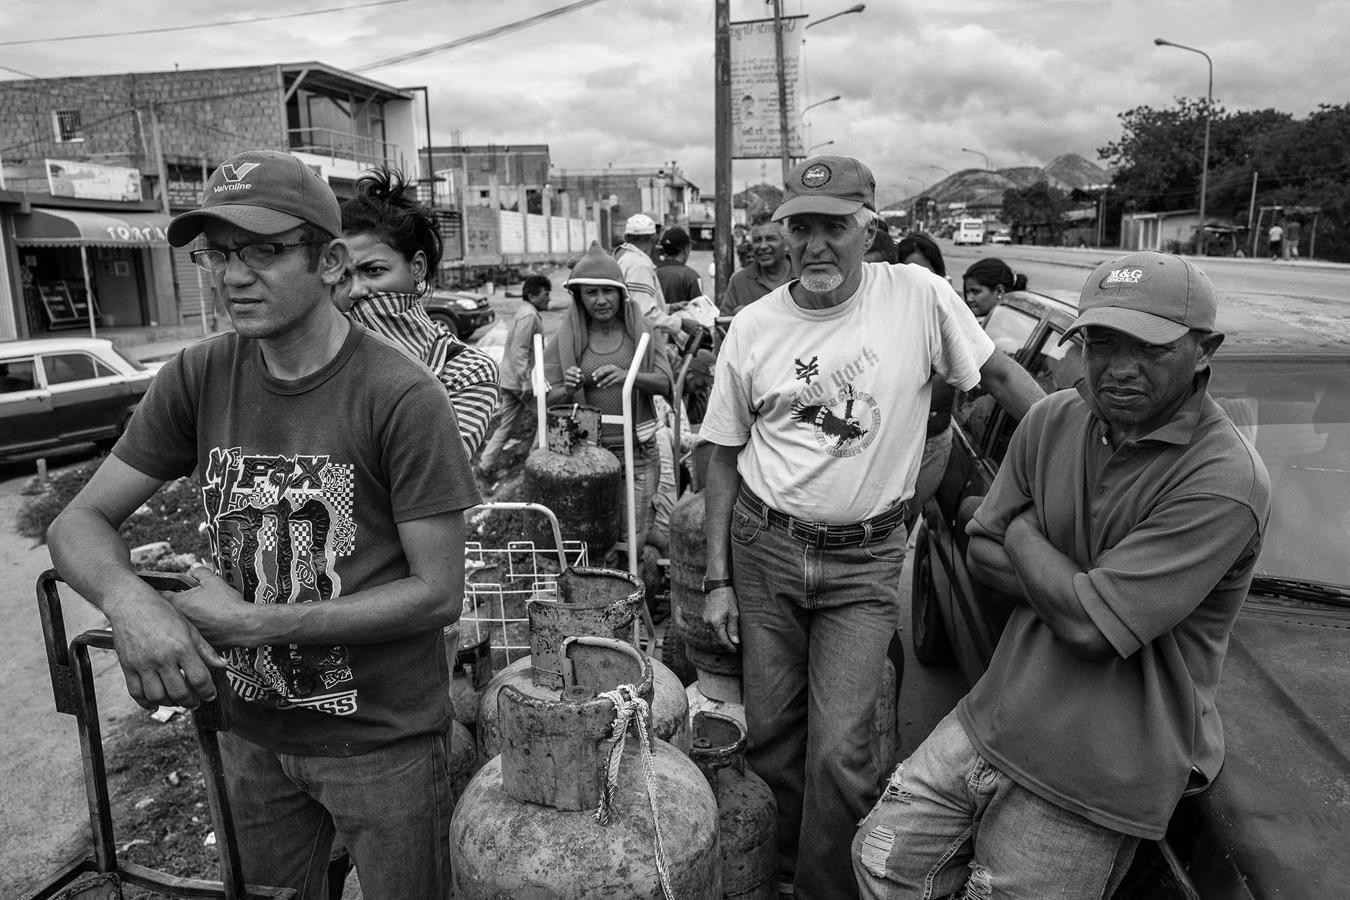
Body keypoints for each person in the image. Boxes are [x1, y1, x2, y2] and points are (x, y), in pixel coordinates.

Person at [46, 149, 480, 899]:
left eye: (265, 250)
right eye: (217, 254)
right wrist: (130, 603)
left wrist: (250, 624)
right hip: (247, 733)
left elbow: (438, 594)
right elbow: (80, 519)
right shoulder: (199, 373)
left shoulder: (402, 397)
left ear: (331, 261)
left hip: (382, 743)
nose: (233, 276)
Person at [853, 251, 1271, 898]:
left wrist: (1021, 531)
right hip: (995, 713)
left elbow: (1082, 624)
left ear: (1204, 349)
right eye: (1102, 342)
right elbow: (980, 549)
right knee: (882, 859)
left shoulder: (1223, 480)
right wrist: (1085, 590)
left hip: (1101, 768)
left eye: (1148, 347)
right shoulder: (1053, 419)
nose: (1119, 368)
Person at [698, 155, 1045, 900]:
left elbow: (1004, 379)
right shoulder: (754, 327)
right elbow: (720, 454)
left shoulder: (916, 295)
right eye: (802, 228)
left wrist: (1076, 443)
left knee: (843, 754)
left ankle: (824, 888)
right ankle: (779, 874)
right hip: (765, 551)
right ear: (783, 235)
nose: (816, 245)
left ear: (870, 230)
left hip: (865, 562)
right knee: (773, 740)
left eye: (835, 227)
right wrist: (718, 579)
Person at [338, 167, 500, 455]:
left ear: (418, 268)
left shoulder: (467, 370)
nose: (355, 290)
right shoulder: (323, 353)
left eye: (374, 271)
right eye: (343, 277)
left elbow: (435, 471)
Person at [545, 241, 673, 550]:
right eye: (591, 293)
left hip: (638, 453)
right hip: (584, 455)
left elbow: (666, 384)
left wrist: (629, 376)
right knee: (592, 541)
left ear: (621, 292)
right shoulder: (569, 336)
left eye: (608, 291)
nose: (601, 300)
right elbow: (546, 399)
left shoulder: (642, 330)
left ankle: (638, 585)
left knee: (633, 541)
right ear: (579, 297)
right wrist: (570, 388)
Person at [896, 233, 956, 520]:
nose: (922, 283)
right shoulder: (887, 319)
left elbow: (955, 384)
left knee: (904, 520)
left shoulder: (952, 315)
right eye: (912, 274)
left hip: (932, 444)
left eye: (928, 274)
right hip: (895, 450)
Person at [476, 273, 552, 481]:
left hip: (509, 379)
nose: (549, 299)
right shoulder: (529, 316)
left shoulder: (525, 312)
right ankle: (534, 462)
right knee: (548, 418)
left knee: (507, 425)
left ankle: (484, 465)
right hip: (519, 382)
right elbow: (520, 349)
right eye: (546, 294)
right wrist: (526, 381)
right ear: (532, 295)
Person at [615, 213, 701, 344]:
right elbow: (644, 314)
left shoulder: (625, 258)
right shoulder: (638, 265)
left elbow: (635, 303)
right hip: (640, 342)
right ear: (653, 239)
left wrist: (669, 308)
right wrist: (681, 323)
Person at [718, 213, 792, 316]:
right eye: (757, 240)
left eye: (770, 239)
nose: (763, 246)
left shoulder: (803, 277)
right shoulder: (739, 281)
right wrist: (738, 317)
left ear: (786, 244)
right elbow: (723, 325)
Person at [961, 256, 1025, 322]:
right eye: (967, 292)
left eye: (975, 292)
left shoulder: (1010, 326)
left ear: (999, 291)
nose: (969, 299)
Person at [654, 225, 704, 308]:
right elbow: (700, 309)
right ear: (686, 249)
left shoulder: (652, 272)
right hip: (683, 321)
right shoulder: (692, 276)